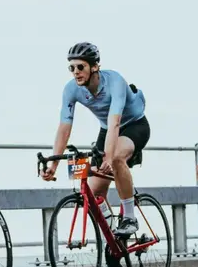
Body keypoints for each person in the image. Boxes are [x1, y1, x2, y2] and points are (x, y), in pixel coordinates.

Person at [41, 42, 150, 239]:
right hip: (107, 129)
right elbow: (64, 128)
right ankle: (115, 240)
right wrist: (53, 164)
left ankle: (130, 218)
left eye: (80, 67)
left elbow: (115, 121)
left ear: (94, 66)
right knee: (91, 197)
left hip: (134, 125)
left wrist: (108, 158)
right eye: (71, 68)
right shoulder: (71, 89)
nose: (75, 72)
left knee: (116, 158)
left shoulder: (114, 81)